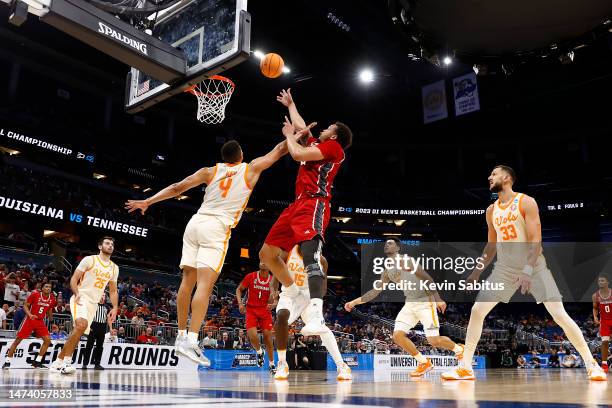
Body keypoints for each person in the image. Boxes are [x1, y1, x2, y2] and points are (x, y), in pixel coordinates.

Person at [126, 139, 290, 367]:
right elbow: (279, 150)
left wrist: (149, 200)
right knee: (205, 285)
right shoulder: (249, 168)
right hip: (217, 228)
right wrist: (296, 133)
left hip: (195, 223)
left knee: (187, 281)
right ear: (240, 154)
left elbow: (177, 188)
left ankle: (181, 336)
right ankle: (192, 339)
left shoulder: (209, 171)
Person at [441, 165, 606, 381]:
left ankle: (590, 364)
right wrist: (476, 272)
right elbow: (491, 247)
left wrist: (527, 271)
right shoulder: (491, 210)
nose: (489, 177)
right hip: (504, 269)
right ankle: (465, 367)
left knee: (559, 314)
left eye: (494, 173)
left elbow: (535, 239)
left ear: (507, 178)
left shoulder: (526, 202)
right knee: (477, 311)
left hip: (534, 266)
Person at [259, 88, 353, 337]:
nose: (323, 129)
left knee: (310, 255)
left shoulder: (334, 148)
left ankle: (316, 315)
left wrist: (289, 136)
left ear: (334, 134)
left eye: (328, 127)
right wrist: (291, 105)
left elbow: (297, 151)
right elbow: (303, 129)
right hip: (296, 205)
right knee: (267, 254)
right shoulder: (319, 144)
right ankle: (290, 287)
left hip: (315, 204)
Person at [346, 238, 464, 377]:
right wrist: (354, 302)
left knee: (434, 341)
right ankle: (423, 362)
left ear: (398, 248)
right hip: (410, 304)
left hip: (425, 302)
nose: (387, 245)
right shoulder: (387, 271)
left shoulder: (407, 261)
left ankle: (459, 349)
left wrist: (438, 299)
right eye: (386, 243)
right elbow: (374, 292)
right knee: (397, 336)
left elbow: (428, 279)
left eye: (390, 243)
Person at [271, 245, 352, 381]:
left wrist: (313, 304)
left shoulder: (322, 260)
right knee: (281, 316)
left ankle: (342, 365)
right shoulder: (287, 253)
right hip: (290, 294)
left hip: (309, 297)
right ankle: (282, 363)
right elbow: (275, 277)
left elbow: (323, 289)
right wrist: (274, 293)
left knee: (322, 329)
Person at [49, 237, 119, 374]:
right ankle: (67, 363)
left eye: (112, 244)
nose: (110, 245)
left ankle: (57, 362)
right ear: (100, 246)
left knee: (78, 332)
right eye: (107, 243)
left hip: (93, 304)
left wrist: (115, 308)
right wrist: (76, 293)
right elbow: (74, 279)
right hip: (80, 297)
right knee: (81, 325)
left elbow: (113, 290)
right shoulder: (89, 260)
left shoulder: (114, 268)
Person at [3, 282, 56, 369]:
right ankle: (7, 362)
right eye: (46, 286)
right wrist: (30, 315)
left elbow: (49, 310)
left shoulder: (52, 299)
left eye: (50, 287)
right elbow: (25, 305)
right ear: (42, 288)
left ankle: (37, 362)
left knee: (47, 340)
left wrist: (52, 322)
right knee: (17, 340)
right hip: (30, 320)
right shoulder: (35, 295)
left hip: (40, 321)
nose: (48, 288)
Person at [236, 263, 275, 373]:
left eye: (265, 261)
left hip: (265, 311)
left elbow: (275, 299)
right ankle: (259, 352)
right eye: (261, 260)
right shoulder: (251, 276)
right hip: (251, 310)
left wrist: (273, 304)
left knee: (268, 338)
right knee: (252, 335)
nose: (263, 262)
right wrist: (240, 303)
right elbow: (239, 289)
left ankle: (272, 364)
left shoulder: (273, 280)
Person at [81, 293, 110, 370]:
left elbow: (108, 318)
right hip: (94, 326)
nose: (102, 297)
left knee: (99, 347)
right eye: (101, 295)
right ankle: (85, 364)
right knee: (89, 345)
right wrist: (88, 326)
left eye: (104, 296)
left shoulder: (107, 307)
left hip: (102, 326)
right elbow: (88, 315)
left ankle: (97, 364)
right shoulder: (93, 305)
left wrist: (110, 328)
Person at [593, 274, 611, 373]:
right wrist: (595, 317)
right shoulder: (595, 296)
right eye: (599, 281)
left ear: (607, 282)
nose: (601, 282)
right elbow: (595, 308)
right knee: (604, 342)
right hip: (604, 321)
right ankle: (604, 364)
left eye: (603, 281)